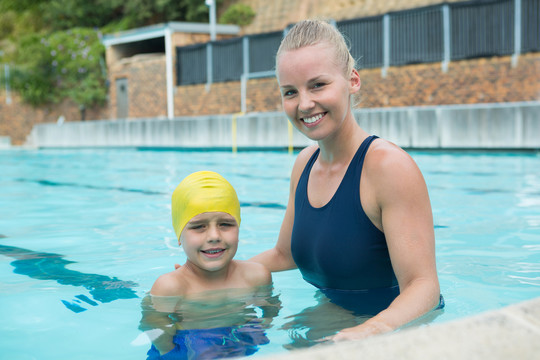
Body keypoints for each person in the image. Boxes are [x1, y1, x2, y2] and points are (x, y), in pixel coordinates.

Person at [250, 19, 443, 342]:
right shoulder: (304, 164)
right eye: (290, 92)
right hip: (336, 316)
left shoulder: (388, 167)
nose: (304, 104)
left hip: (395, 331)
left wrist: (370, 330)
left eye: (318, 85)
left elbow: (423, 287)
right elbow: (285, 255)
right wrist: (216, 273)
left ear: (352, 81)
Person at [140, 171, 274, 359]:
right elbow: (153, 324)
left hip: (238, 336)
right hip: (183, 344)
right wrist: (168, 353)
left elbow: (270, 306)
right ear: (179, 236)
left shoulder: (257, 276)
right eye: (198, 226)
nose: (214, 236)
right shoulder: (171, 287)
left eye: (226, 224)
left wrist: (263, 323)